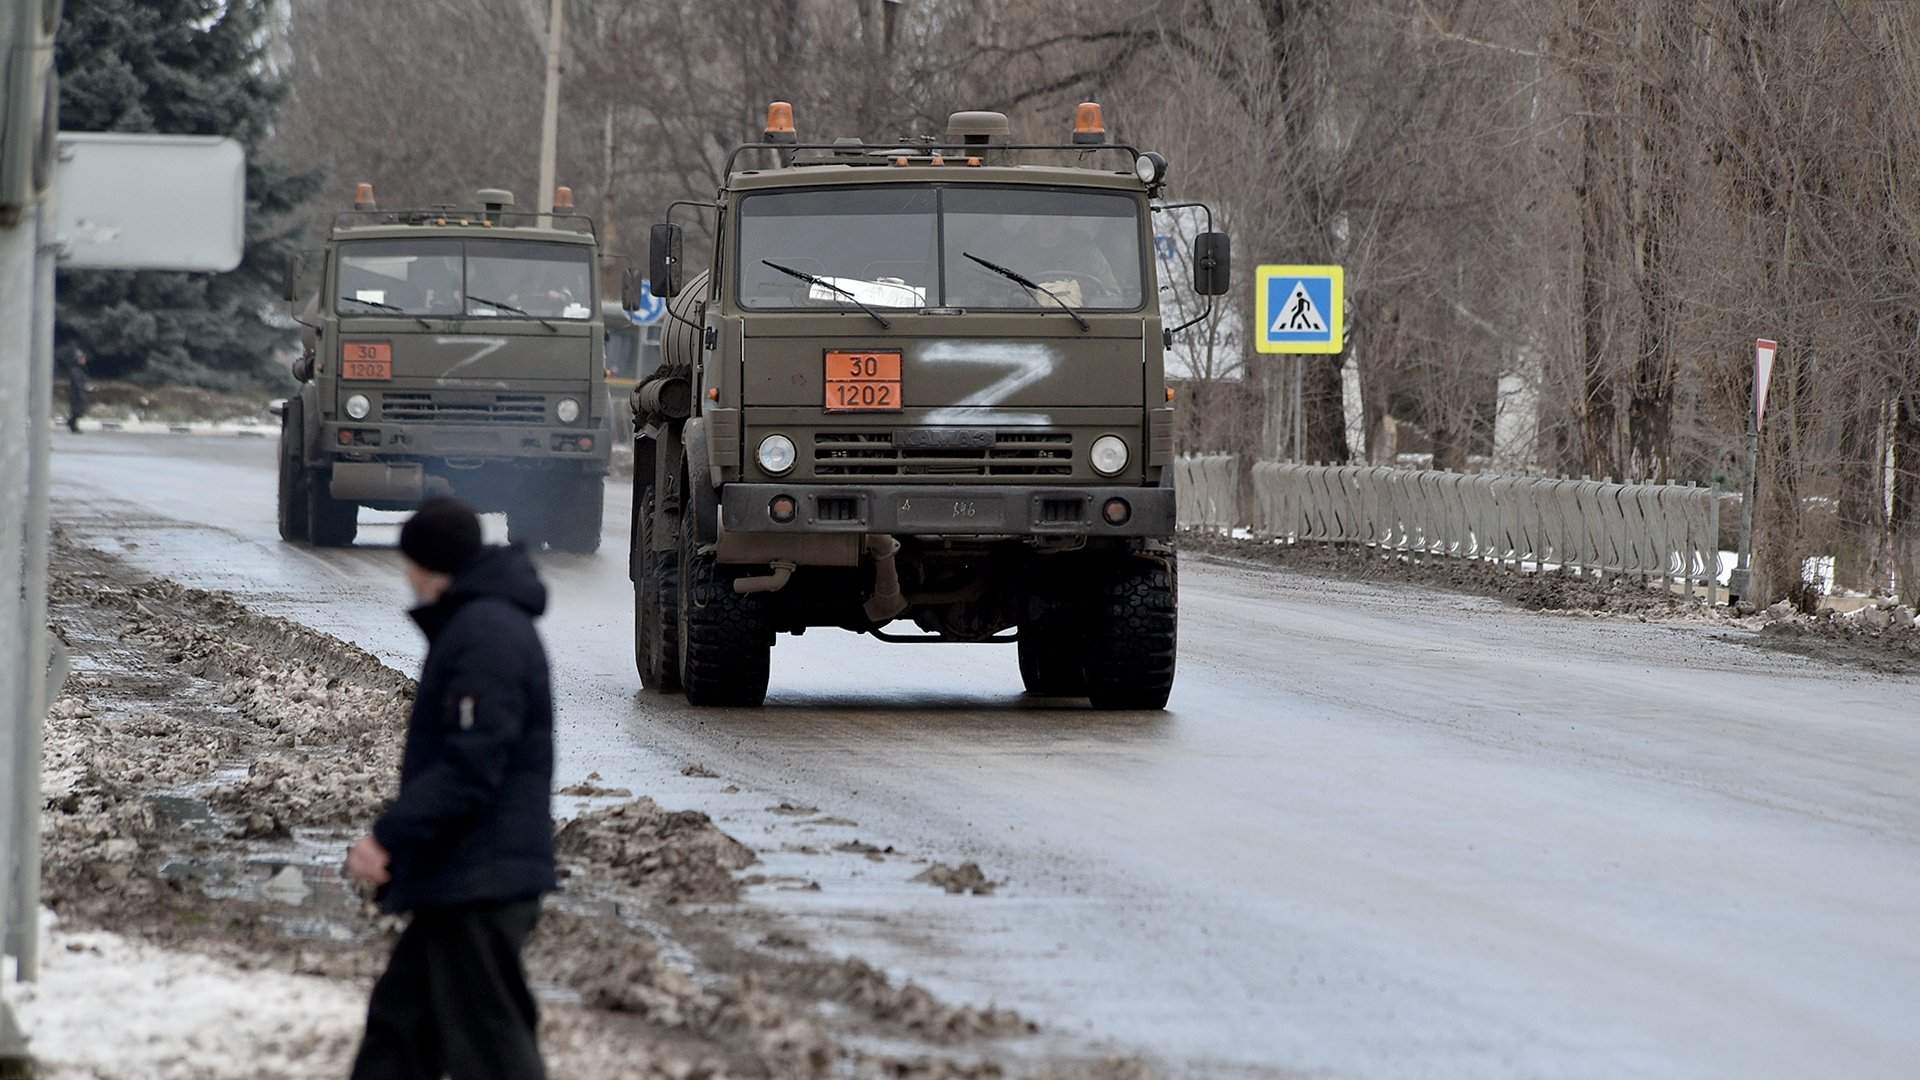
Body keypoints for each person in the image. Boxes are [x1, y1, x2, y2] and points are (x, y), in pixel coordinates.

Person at [346, 497, 555, 1080]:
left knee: (491, 1053)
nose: (407, 577)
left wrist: (390, 837)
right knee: (399, 1030)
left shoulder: (486, 633)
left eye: (409, 563)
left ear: (426, 563)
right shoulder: (479, 623)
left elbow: (473, 762)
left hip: (483, 881)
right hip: (461, 877)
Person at [64, 351, 88, 434]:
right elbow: (77, 383)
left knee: (78, 411)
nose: (84, 360)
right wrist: (81, 392)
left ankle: (72, 424)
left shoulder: (79, 370)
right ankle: (72, 424)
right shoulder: (75, 370)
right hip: (76, 393)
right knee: (77, 411)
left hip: (79, 392)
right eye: (82, 359)